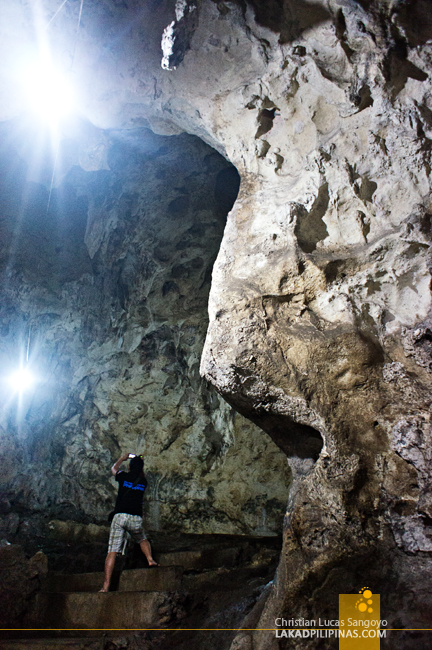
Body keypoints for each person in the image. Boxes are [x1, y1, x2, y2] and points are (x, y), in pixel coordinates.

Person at [99, 452, 158, 593]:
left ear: (130, 467)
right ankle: (150, 559)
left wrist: (121, 458)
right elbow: (139, 474)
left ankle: (106, 586)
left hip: (120, 517)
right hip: (135, 518)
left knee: (112, 551)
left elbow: (114, 470)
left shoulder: (124, 476)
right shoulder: (143, 482)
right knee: (142, 538)